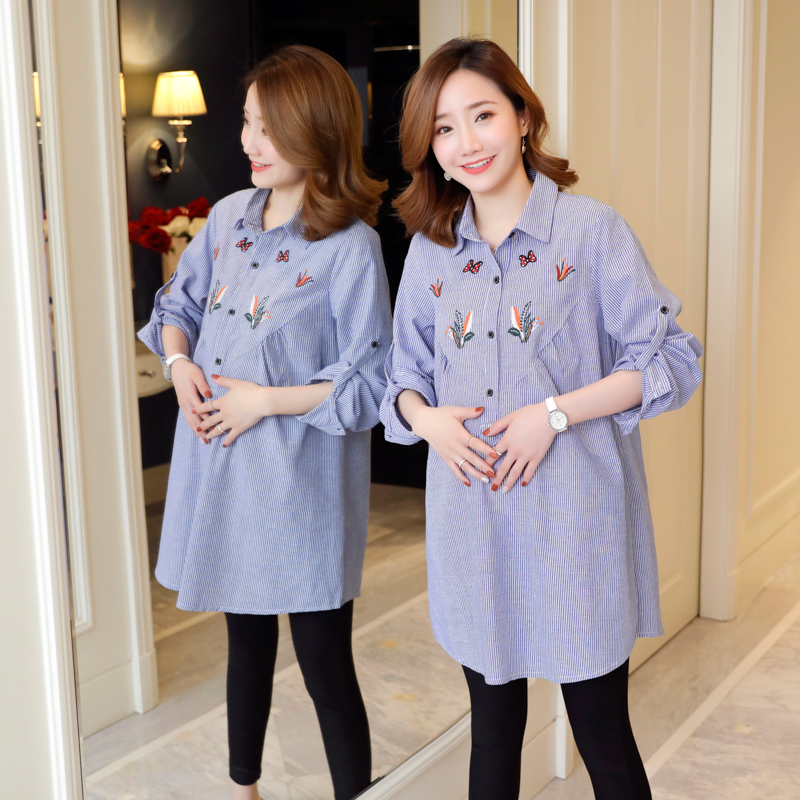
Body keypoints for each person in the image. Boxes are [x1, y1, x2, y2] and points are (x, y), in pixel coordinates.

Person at [380, 37, 702, 800]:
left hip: (573, 526)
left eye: (482, 115)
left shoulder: (592, 233)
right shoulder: (431, 253)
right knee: (493, 736)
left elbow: (672, 358)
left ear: (523, 117)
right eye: (444, 127)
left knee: (602, 737)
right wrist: (428, 422)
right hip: (473, 527)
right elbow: (401, 378)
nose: (466, 142)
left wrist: (552, 415)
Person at [138, 45, 392, 800]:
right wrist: (178, 363)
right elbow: (178, 306)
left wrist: (264, 400)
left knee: (325, 668)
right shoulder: (225, 219)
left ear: (317, 131)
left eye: (269, 128)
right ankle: (242, 789)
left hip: (301, 486)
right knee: (245, 648)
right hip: (223, 473)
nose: (250, 141)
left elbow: (368, 382)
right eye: (248, 122)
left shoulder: (351, 249)